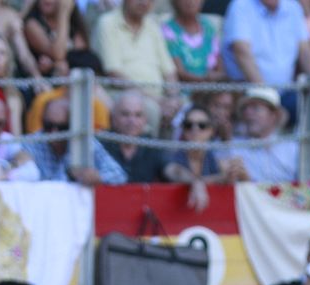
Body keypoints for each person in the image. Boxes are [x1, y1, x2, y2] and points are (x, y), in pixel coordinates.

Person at [95, 0, 178, 130]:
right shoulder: (107, 23)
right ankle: (151, 151)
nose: (144, 2)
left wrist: (173, 98)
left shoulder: (152, 25)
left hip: (158, 97)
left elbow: (169, 71)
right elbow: (115, 75)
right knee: (151, 109)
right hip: (122, 94)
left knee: (189, 111)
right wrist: (157, 100)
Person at [31, 96, 126, 183]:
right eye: (48, 126)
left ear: (73, 126)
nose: (53, 133)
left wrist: (97, 177)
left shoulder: (84, 142)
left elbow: (118, 175)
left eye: (62, 127)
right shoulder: (32, 142)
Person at [222, 0, 310, 87]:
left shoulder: (293, 7)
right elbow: (242, 52)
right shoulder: (240, 6)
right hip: (248, 90)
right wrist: (266, 93)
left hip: (287, 90)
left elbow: (305, 50)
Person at [223, 86, 300, 183]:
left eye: (255, 108)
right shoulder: (234, 147)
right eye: (245, 109)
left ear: (273, 115)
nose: (248, 113)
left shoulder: (292, 148)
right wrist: (245, 180)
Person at [103, 89, 169, 181]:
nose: (132, 121)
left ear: (145, 120)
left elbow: (170, 169)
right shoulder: (100, 144)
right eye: (125, 114)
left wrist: (193, 180)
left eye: (138, 115)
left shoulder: (152, 146)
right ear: (113, 118)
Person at [23, 0, 88, 78]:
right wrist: (63, 15)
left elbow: (83, 56)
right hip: (46, 84)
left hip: (72, 80)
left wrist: (54, 64)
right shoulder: (31, 24)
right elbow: (58, 55)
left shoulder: (74, 25)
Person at [163, 0, 223, 84]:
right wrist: (205, 80)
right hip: (186, 90)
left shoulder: (208, 26)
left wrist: (217, 77)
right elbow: (179, 73)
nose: (190, 2)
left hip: (212, 87)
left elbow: (220, 66)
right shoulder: (168, 30)